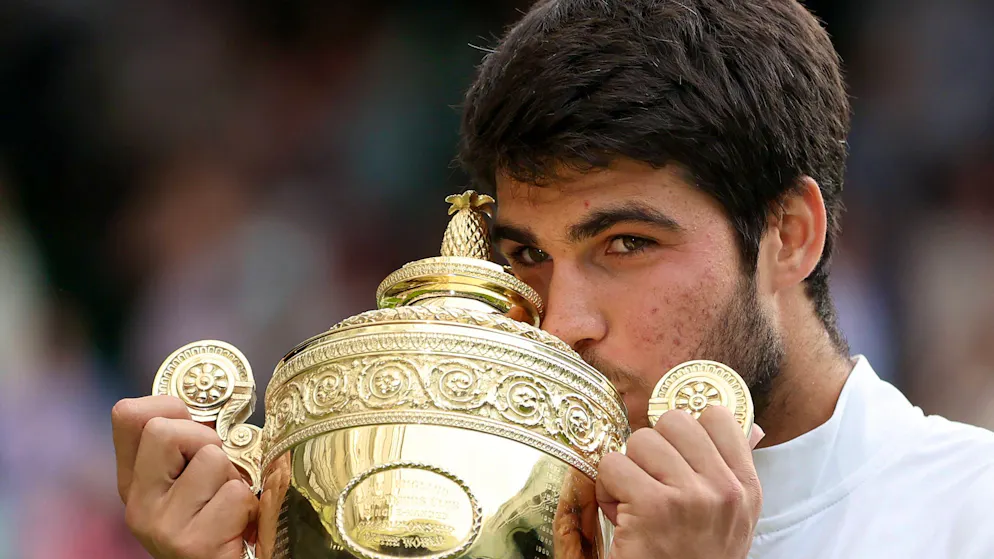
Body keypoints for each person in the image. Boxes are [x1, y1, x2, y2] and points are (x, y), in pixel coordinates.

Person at [111, 0, 994, 558]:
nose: (560, 320)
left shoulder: (969, 511)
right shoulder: (445, 502)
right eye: (526, 254)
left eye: (625, 244)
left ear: (789, 234)